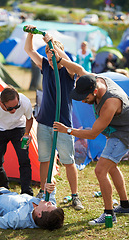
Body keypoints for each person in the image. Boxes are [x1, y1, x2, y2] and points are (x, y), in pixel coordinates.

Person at [52, 51, 129, 225]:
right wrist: (59, 59)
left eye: (85, 98)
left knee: (100, 170)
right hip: (116, 130)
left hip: (124, 133)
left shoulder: (111, 103)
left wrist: (68, 131)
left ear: (95, 91)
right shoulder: (92, 78)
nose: (83, 101)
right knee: (111, 166)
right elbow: (78, 68)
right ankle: (125, 205)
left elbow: (93, 133)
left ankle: (109, 214)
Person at [24, 25, 84, 210]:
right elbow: (29, 50)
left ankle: (75, 196)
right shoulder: (45, 66)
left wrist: (53, 46)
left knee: (68, 161)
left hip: (63, 123)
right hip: (44, 122)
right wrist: (30, 34)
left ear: (58, 54)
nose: (50, 60)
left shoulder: (68, 70)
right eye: (48, 56)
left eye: (53, 56)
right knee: (44, 159)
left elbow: (72, 65)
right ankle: (43, 190)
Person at [0, 87, 34, 196]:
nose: (14, 110)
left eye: (16, 106)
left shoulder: (25, 102)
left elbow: (29, 118)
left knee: (24, 160)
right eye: (10, 108)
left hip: (19, 129)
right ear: (1, 103)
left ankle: (26, 192)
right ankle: (3, 189)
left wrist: (27, 134)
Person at [0, 182, 64, 230]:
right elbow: (51, 186)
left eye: (48, 206)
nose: (49, 203)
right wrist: (50, 184)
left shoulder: (19, 218)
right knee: (0, 188)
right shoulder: (48, 209)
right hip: (4, 193)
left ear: (39, 214)